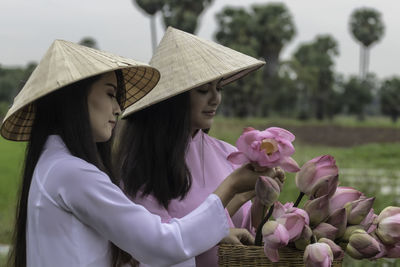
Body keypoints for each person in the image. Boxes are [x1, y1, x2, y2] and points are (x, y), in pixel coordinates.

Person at [1, 40, 266, 267]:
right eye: (110, 94)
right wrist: (230, 187)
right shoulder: (72, 173)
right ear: (75, 100)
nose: (118, 108)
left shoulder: (52, 165)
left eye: (218, 88)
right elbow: (161, 243)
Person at [116, 27, 284, 267]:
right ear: (174, 99)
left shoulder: (228, 154)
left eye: (219, 88)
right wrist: (215, 234)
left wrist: (261, 198)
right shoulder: (145, 166)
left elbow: (244, 229)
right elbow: (156, 246)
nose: (215, 98)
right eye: (203, 90)